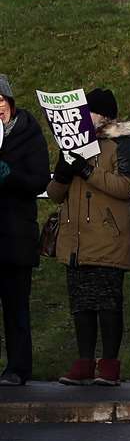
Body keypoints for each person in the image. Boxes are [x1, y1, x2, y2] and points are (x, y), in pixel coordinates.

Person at [46, 88, 130, 387]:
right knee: (81, 306)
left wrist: (86, 170)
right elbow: (54, 196)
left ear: (106, 117)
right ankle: (84, 362)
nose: (84, 118)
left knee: (108, 306)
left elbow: (125, 186)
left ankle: (109, 364)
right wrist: (62, 171)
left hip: (108, 241)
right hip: (75, 242)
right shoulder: (73, 145)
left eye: (90, 112)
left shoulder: (120, 144)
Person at [0, 75, 51, 385]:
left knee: (16, 308)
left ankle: (18, 368)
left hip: (16, 236)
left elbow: (39, 179)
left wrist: (11, 175)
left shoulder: (28, 133)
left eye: (1, 102)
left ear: (10, 102)